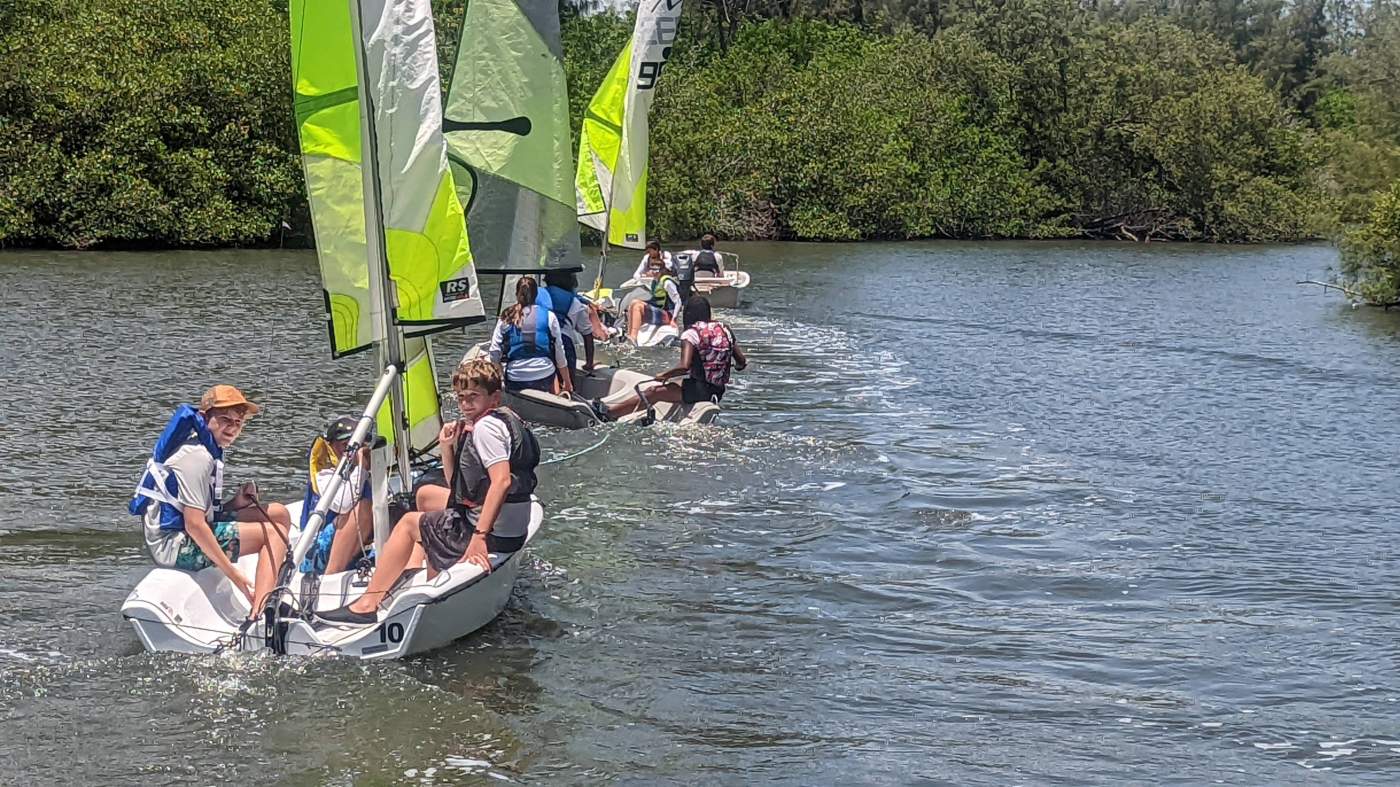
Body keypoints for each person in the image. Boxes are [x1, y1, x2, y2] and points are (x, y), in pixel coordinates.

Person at [316, 359, 540, 625]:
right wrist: (447, 447)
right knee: (424, 497)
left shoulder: (485, 429)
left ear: (494, 397)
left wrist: (479, 538)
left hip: (493, 535)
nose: (466, 404)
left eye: (474, 397)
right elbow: (460, 487)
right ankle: (419, 570)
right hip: (512, 526)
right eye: (461, 398)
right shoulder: (507, 418)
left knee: (410, 523)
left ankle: (367, 604)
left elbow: (501, 481)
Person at [130, 385, 292, 622]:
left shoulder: (206, 448)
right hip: (173, 546)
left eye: (238, 422)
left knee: (278, 513)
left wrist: (235, 504)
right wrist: (235, 575)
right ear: (206, 418)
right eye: (225, 419)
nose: (232, 428)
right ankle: (261, 613)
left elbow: (200, 513)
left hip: (184, 533)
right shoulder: (197, 457)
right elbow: (194, 525)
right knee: (273, 533)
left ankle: (272, 579)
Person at [594, 296, 747, 420]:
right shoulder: (725, 329)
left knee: (653, 391)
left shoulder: (691, 333)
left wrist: (664, 375)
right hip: (718, 391)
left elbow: (684, 366)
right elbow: (741, 362)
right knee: (675, 384)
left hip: (700, 391)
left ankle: (609, 413)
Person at [298, 416, 376, 576]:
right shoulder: (324, 473)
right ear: (331, 446)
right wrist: (361, 467)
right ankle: (332, 574)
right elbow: (343, 503)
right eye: (344, 445)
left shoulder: (359, 471)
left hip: (359, 546)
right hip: (315, 553)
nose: (352, 450)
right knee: (360, 509)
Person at [487, 276, 573, 396]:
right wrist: (567, 383)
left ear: (516, 293)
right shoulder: (549, 316)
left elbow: (494, 351)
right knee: (551, 371)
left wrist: (501, 378)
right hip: (544, 375)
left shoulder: (506, 317)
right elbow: (559, 352)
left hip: (515, 378)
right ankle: (556, 400)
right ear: (536, 295)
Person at [541, 270, 597, 386]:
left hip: (539, 342)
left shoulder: (537, 295)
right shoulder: (576, 302)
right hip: (563, 343)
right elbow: (587, 335)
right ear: (571, 283)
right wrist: (589, 363)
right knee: (567, 386)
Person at [625, 260, 683, 343]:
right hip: (659, 311)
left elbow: (678, 302)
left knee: (638, 306)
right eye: (651, 269)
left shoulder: (667, 283)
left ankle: (633, 338)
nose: (653, 272)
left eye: (656, 270)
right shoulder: (655, 281)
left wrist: (673, 320)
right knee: (633, 303)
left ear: (662, 270)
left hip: (667, 315)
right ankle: (630, 335)